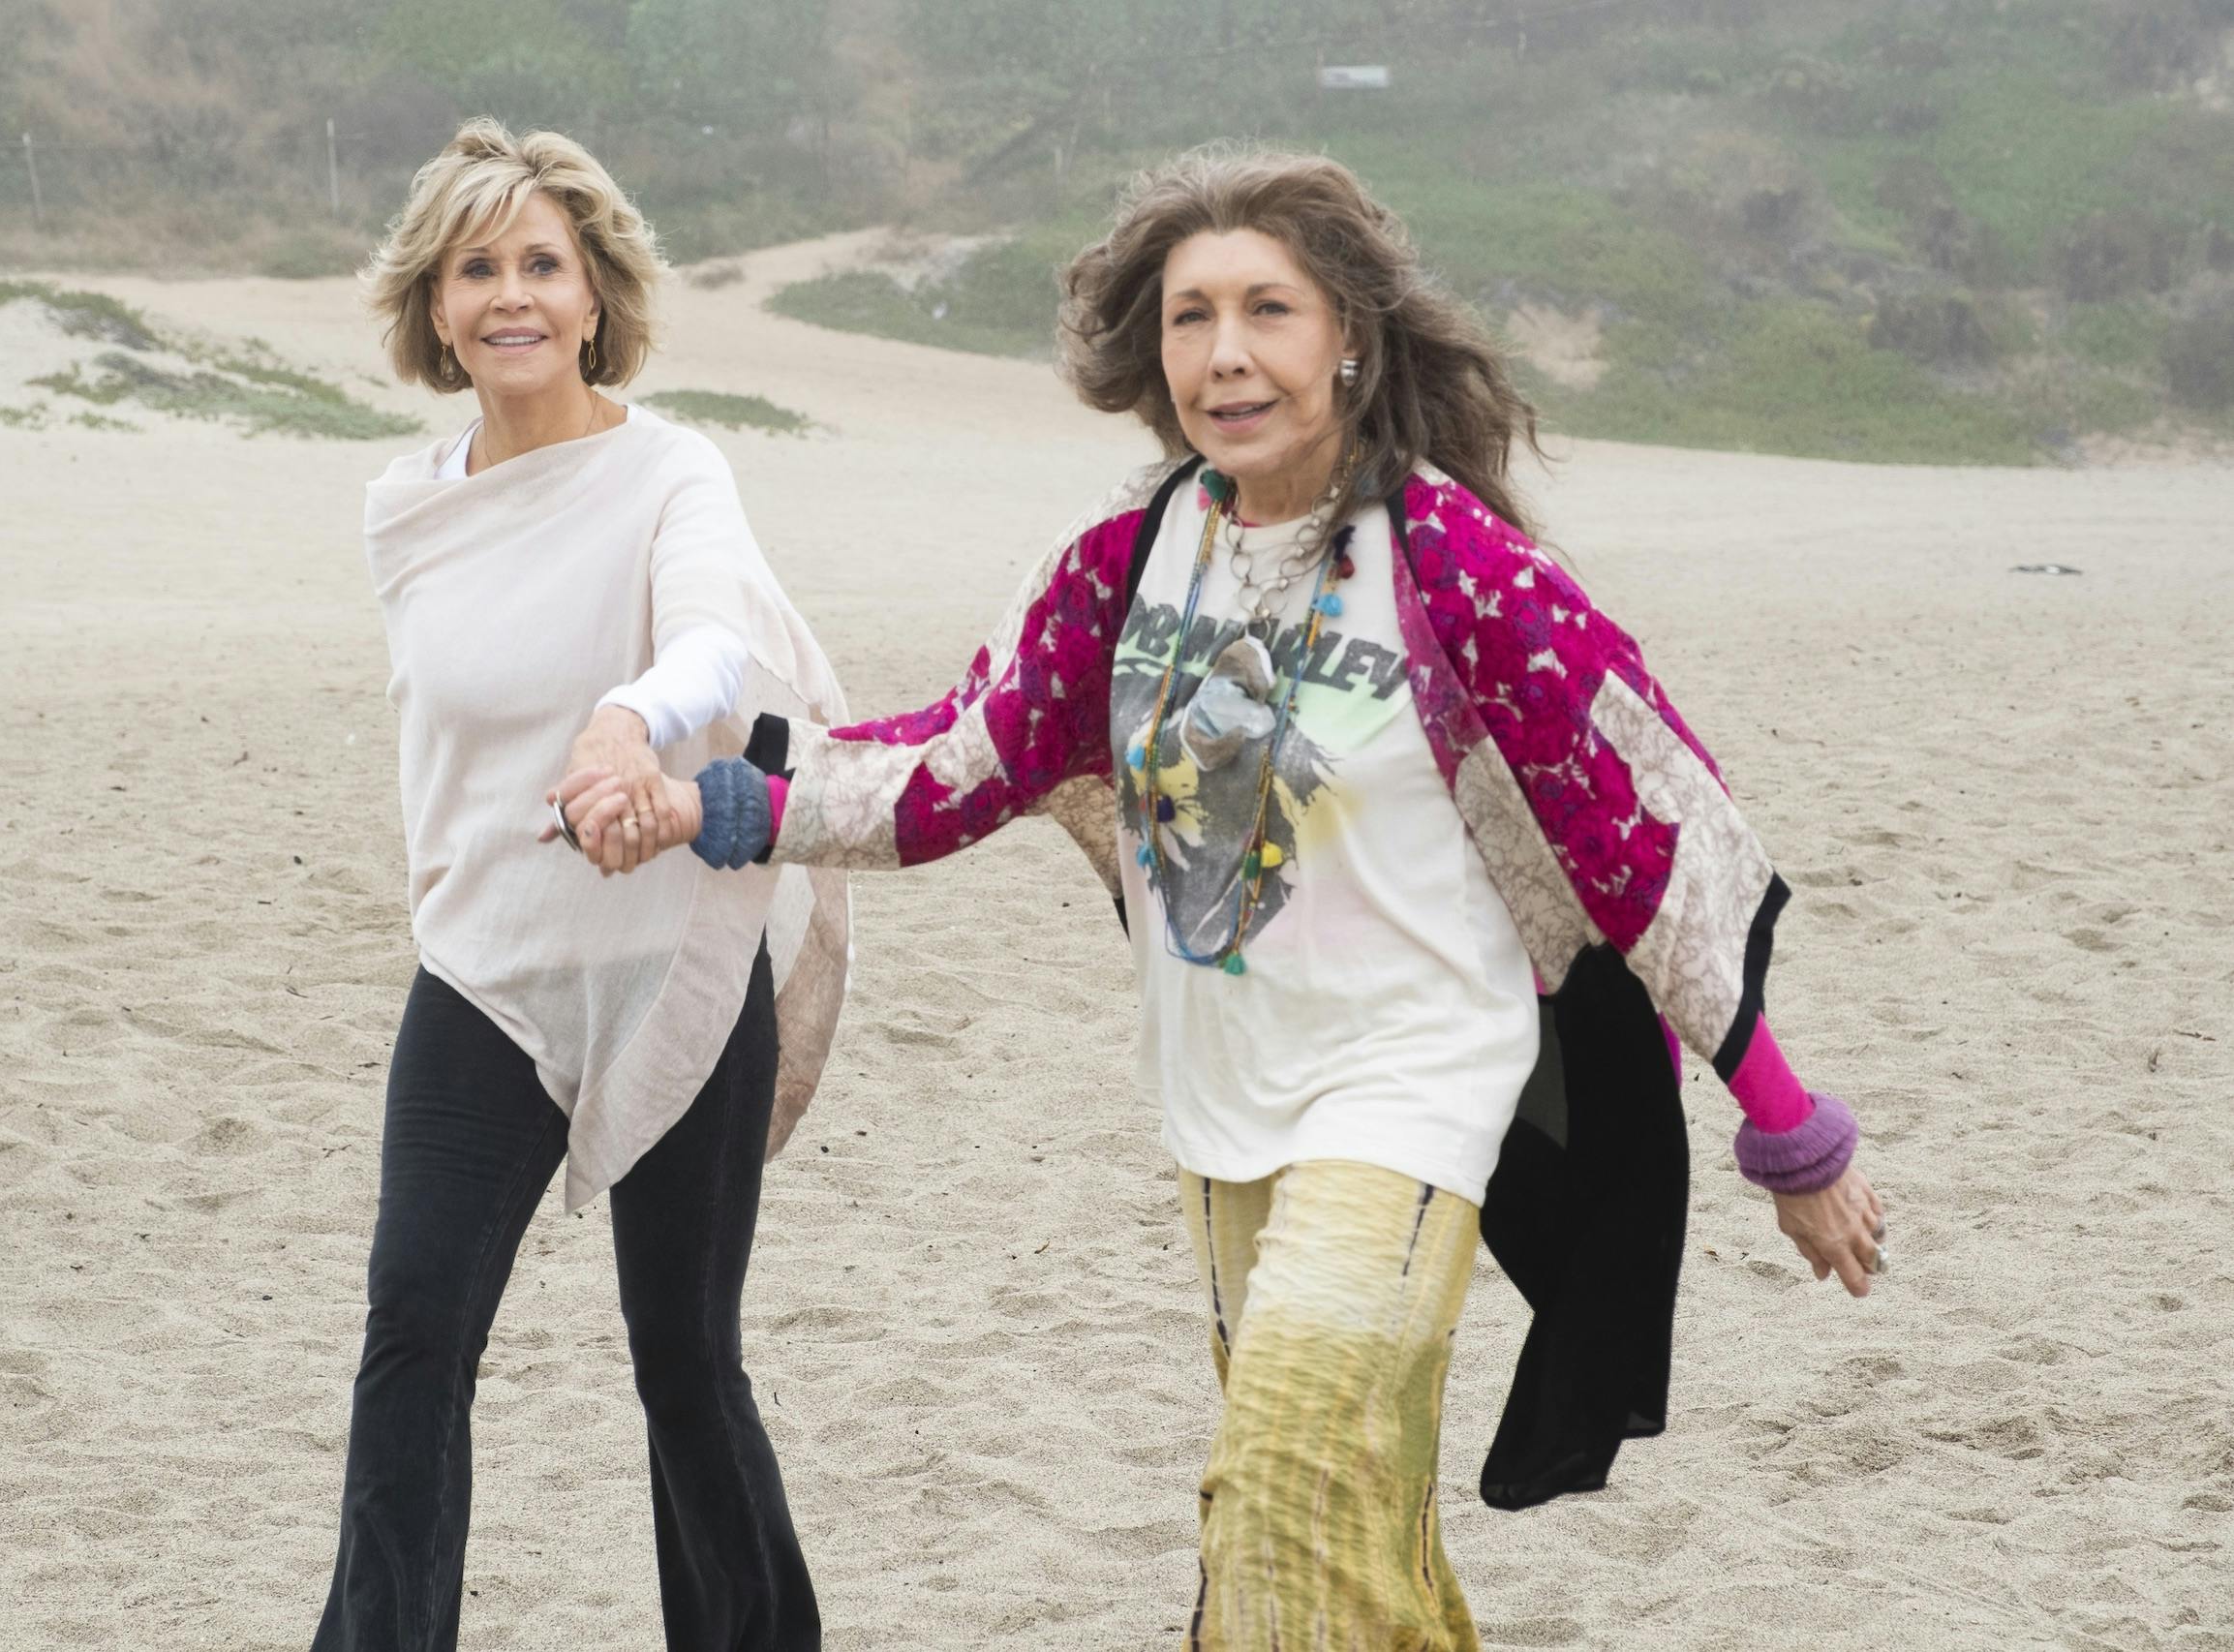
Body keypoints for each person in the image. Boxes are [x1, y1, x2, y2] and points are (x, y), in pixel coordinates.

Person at [583, 147, 1888, 1651]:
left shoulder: (1454, 565)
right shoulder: (1130, 563)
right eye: (1192, 316)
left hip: (1413, 1091)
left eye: (1269, 309)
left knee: (1275, 1480)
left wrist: (1787, 1123)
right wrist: (711, 802)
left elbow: (1644, 841)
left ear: (1350, 335)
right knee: (1353, 1522)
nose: (1226, 353)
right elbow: (955, 765)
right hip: (1221, 1106)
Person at [316, 117, 849, 1652]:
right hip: (484, 961)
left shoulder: (675, 468)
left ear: (596, 293)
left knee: (684, 1352)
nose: (511, 297)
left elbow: (712, 643)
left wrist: (632, 722)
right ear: (432, 305)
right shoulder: (404, 511)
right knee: (414, 1330)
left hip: (670, 945)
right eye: (475, 268)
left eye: (541, 263)